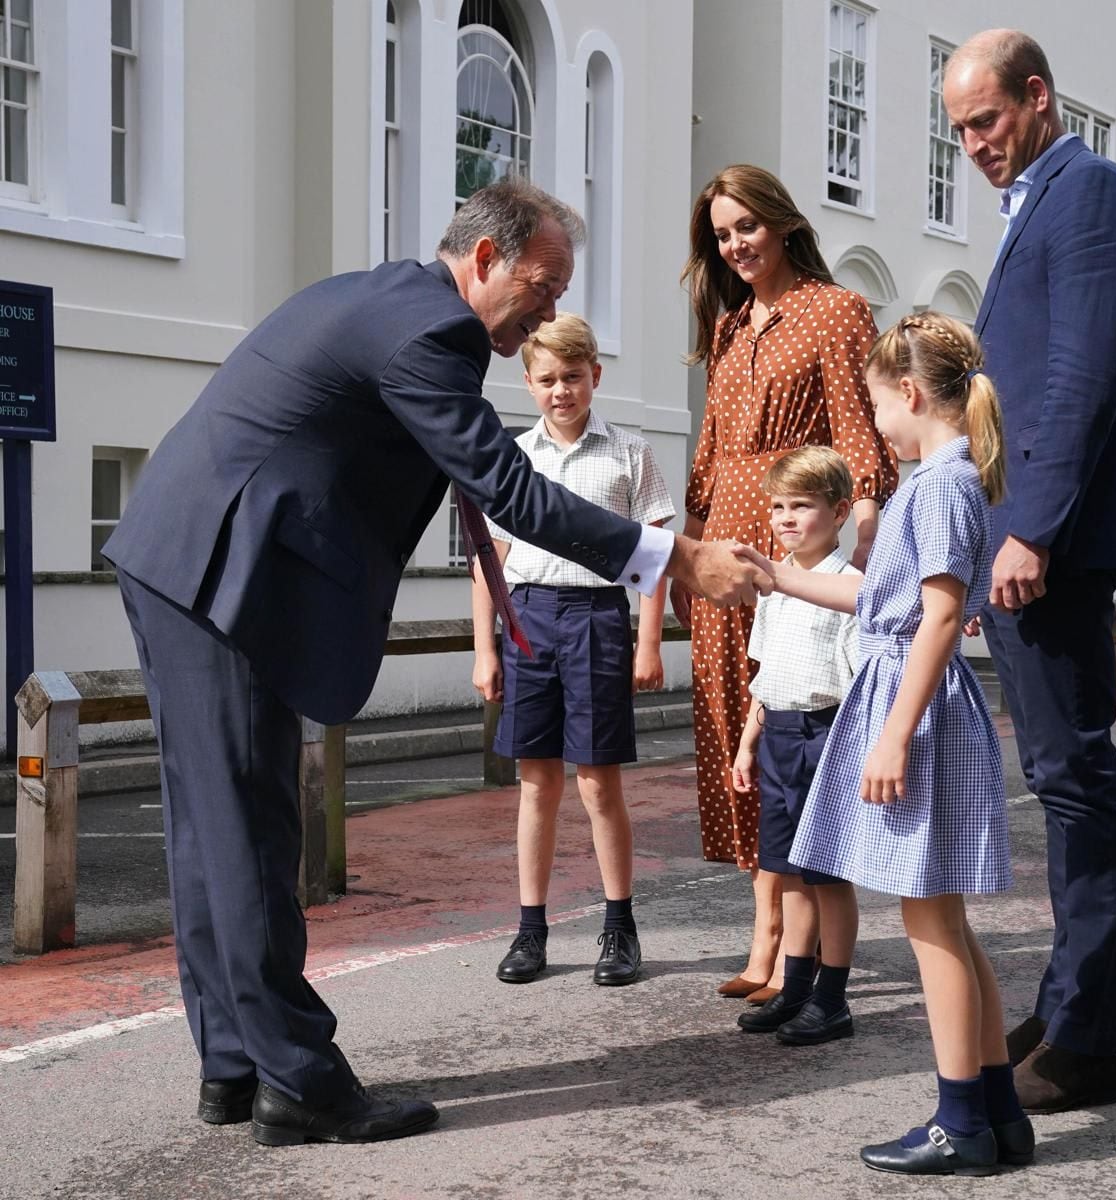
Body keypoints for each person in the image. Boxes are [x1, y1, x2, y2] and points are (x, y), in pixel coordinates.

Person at [102, 178, 769, 1147]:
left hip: (184, 558)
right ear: (488, 259)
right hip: (220, 573)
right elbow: (511, 491)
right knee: (246, 832)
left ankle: (237, 1066)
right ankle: (299, 1083)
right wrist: (679, 557)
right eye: (544, 285)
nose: (551, 308)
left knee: (211, 833)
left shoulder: (390, 299)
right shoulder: (432, 333)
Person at [743, 313, 1033, 1175]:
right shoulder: (943, 478)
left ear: (908, 394)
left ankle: (960, 1122)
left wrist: (894, 734)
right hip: (914, 694)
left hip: (918, 706)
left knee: (929, 920)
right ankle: (994, 1113)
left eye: (877, 407)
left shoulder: (937, 485)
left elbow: (939, 614)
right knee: (943, 919)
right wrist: (777, 575)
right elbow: (885, 603)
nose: (876, 424)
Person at [943, 30, 1116, 1113]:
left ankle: (1083, 1040)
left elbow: (1077, 377)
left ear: (1037, 97)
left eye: (985, 120)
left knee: (1078, 787)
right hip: (1030, 541)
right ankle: (1063, 1006)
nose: (974, 144)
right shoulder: (1042, 199)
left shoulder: (1092, 190)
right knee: (1062, 784)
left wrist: (1026, 529)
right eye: (959, 131)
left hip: (1053, 548)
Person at [673, 165, 897, 1003]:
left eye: (746, 227)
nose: (735, 245)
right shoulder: (730, 328)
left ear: (781, 222)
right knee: (735, 732)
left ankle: (788, 938)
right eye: (722, 235)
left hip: (792, 544)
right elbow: (707, 453)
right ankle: (763, 924)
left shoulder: (835, 310)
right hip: (722, 553)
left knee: (791, 729)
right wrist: (686, 551)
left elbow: (858, 432)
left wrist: (866, 526)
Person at [470, 313, 675, 988]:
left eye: (574, 377)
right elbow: (489, 564)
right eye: (548, 379)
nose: (562, 391)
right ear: (527, 382)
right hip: (528, 618)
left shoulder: (629, 454)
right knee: (537, 782)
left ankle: (619, 926)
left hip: (597, 619)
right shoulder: (514, 458)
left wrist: (649, 641)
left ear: (596, 375)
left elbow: (654, 557)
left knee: (597, 782)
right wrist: (486, 650)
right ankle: (531, 930)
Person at [729, 446, 861, 1041]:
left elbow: (861, 681)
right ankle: (796, 987)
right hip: (779, 735)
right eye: (778, 505)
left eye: (801, 506)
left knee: (827, 876)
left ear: (837, 513)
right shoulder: (773, 585)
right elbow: (767, 675)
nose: (785, 517)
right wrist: (747, 744)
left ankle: (832, 999)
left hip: (827, 736)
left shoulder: (851, 587)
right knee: (788, 873)